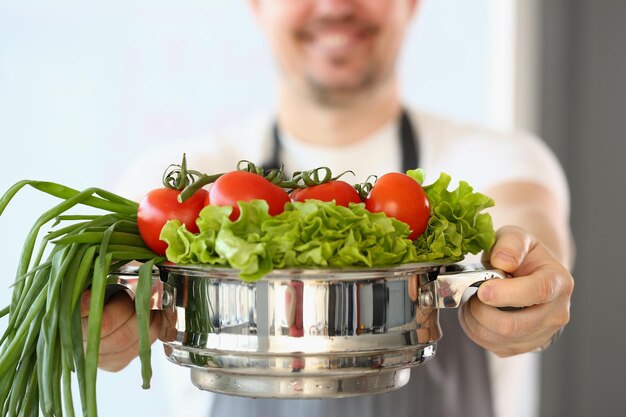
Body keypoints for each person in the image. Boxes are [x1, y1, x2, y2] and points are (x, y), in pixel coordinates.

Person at [82, 1, 574, 416]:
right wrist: (107, 321)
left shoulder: (499, 158)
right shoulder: (181, 181)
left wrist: (528, 278)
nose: (337, 5)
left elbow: (528, 216)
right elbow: (120, 289)